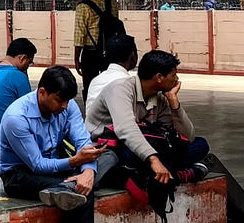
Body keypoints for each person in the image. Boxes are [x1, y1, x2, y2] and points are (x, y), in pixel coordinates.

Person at [0, 66, 122, 223]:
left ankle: (65, 188)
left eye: (67, 100)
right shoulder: (17, 117)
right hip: (21, 175)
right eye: (59, 100)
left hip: (59, 169)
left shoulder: (68, 105)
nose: (64, 106)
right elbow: (36, 164)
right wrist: (76, 161)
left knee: (109, 157)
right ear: (42, 92)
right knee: (82, 197)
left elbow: (84, 143)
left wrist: (87, 171)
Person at [85, 50, 209, 190]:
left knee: (200, 145)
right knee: (128, 154)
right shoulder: (120, 89)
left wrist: (174, 102)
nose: (177, 79)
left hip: (146, 146)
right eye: (173, 75)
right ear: (159, 77)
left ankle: (165, 173)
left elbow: (187, 137)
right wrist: (153, 159)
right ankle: (177, 173)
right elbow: (126, 130)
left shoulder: (160, 99)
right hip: (112, 147)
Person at [73, 0, 122, 101]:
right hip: (111, 50)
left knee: (90, 85)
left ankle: (91, 112)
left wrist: (77, 59)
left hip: (91, 52)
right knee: (110, 83)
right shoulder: (110, 2)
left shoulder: (83, 7)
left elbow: (80, 34)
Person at [0, 38, 36, 132]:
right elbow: (30, 110)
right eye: (29, 62)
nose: (28, 66)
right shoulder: (18, 76)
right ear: (22, 58)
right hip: (4, 135)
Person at [83, 34, 138, 125]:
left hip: (92, 131)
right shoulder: (127, 82)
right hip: (113, 134)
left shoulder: (96, 80)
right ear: (133, 56)